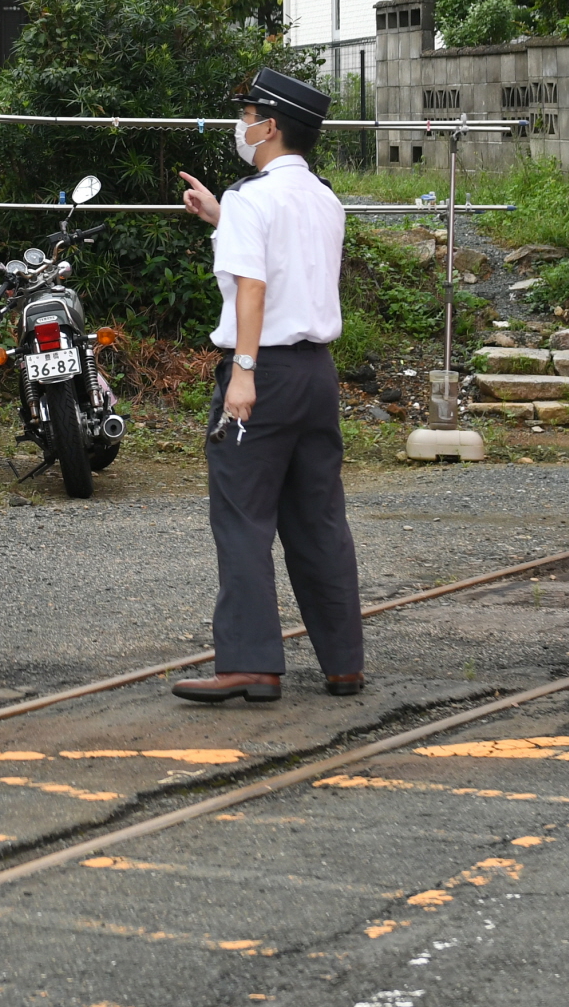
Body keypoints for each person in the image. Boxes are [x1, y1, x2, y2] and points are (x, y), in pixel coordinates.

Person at [169, 68, 362, 704]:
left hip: (266, 373)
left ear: (270, 126)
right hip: (316, 374)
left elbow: (254, 286)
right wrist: (223, 218)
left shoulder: (253, 197)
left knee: (243, 517)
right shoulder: (323, 198)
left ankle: (251, 663)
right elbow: (287, 262)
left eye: (248, 111)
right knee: (318, 518)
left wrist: (243, 373)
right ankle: (342, 663)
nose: (242, 122)